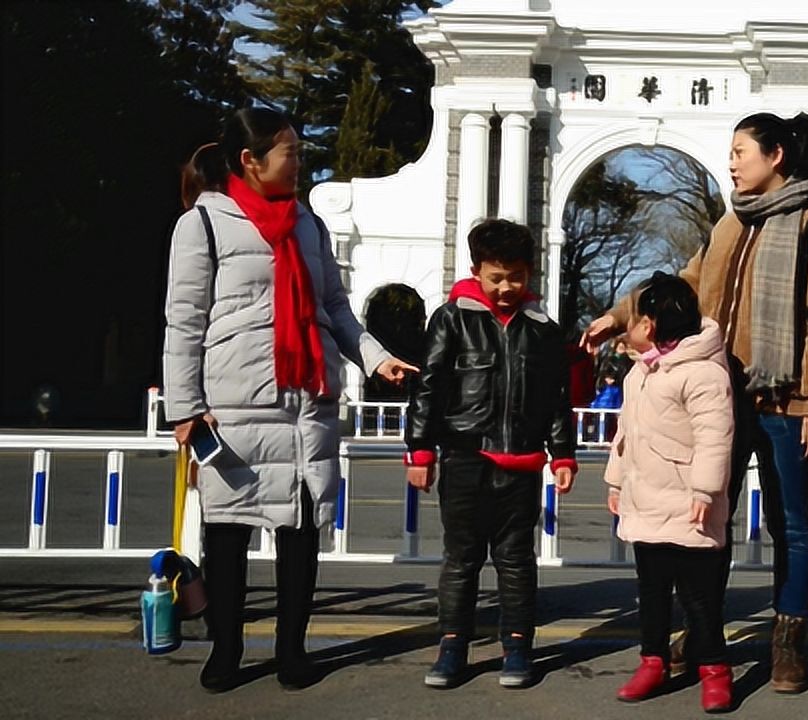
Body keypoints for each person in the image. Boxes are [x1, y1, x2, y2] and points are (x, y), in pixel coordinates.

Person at [582, 112, 808, 691]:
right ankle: (704, 634)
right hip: (723, 399)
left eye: (740, 150)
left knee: (791, 525)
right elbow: (681, 287)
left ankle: (788, 641)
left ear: (776, 154)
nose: (732, 161)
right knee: (706, 520)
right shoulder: (730, 225)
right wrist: (620, 315)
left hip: (787, 403)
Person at [163, 109, 418, 692]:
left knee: (300, 535)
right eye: (289, 153)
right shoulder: (202, 225)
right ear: (250, 162)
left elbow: (335, 307)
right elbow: (183, 323)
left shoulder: (309, 224)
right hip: (235, 406)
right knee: (227, 534)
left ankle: (291, 651)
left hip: (306, 402)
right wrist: (185, 406)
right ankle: (226, 650)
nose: (299, 162)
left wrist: (376, 358)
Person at [404, 218, 578, 690]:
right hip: (465, 459)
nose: (506, 288)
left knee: (517, 560)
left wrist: (562, 454)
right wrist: (420, 450)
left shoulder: (543, 330)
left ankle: (518, 648)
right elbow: (429, 388)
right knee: (460, 560)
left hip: (521, 464)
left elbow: (557, 399)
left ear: (530, 273)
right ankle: (452, 647)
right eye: (496, 277)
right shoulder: (452, 318)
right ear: (476, 270)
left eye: (515, 277)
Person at [604, 272, 735, 713]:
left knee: (699, 597)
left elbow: (716, 436)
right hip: (646, 501)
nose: (629, 322)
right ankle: (652, 660)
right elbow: (626, 433)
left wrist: (705, 490)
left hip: (688, 505)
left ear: (654, 323)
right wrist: (615, 479)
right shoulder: (639, 373)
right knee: (652, 591)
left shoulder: (703, 373)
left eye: (636, 314)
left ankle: (715, 668)